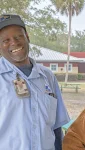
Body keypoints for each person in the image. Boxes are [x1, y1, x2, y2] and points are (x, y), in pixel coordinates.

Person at [0, 14, 70, 150]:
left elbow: (56, 127)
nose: (14, 42)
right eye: (5, 40)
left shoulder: (47, 76)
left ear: (27, 36)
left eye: (18, 36)